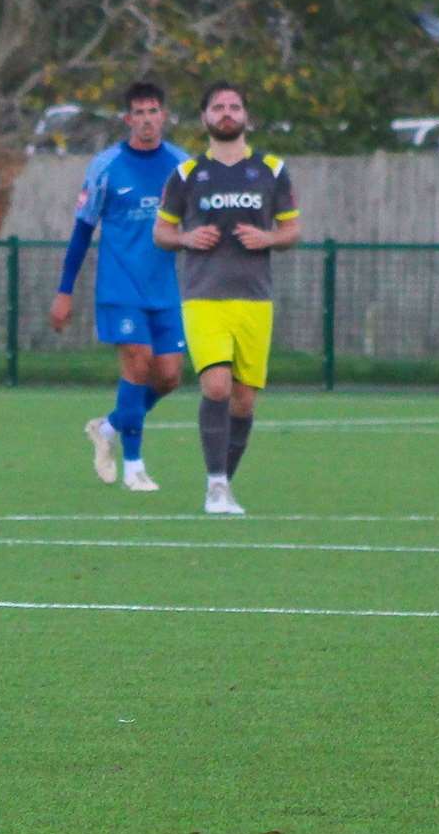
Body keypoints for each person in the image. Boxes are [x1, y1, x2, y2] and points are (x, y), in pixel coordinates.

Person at [153, 80, 301, 515]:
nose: (226, 112)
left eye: (234, 106)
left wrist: (269, 237)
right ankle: (215, 486)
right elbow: (161, 232)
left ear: (246, 116)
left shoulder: (272, 170)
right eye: (218, 106)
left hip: (255, 300)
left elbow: (293, 230)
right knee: (215, 385)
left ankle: (223, 484)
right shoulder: (186, 175)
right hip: (203, 297)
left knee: (244, 400)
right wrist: (184, 237)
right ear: (204, 118)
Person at [50, 82, 190, 492]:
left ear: (164, 116)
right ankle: (134, 467)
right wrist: (64, 291)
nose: (147, 120)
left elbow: (198, 223)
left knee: (168, 377)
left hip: (163, 290)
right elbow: (82, 231)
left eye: (154, 111)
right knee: (138, 363)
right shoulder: (106, 165)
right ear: (128, 119)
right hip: (120, 287)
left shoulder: (182, 166)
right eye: (139, 113)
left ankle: (108, 426)